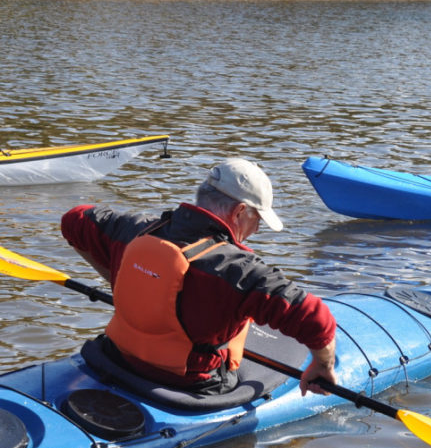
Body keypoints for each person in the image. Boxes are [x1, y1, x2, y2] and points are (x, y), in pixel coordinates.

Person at [60, 158, 336, 396]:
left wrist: (120, 279)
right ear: (239, 212)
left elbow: (74, 220)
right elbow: (315, 319)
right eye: (258, 221)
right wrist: (323, 367)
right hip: (189, 384)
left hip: (117, 359)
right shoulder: (240, 270)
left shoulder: (136, 230)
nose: (257, 231)